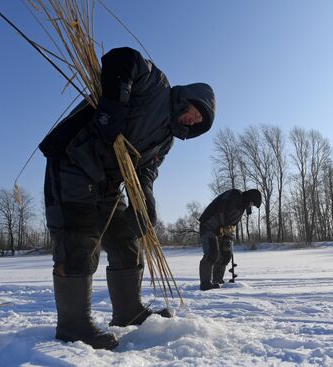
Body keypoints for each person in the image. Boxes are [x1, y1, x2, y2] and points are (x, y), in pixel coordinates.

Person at [39, 47, 216, 350]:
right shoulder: (156, 86)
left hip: (106, 183)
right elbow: (124, 59)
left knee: (126, 238)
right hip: (74, 162)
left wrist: (144, 202)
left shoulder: (166, 140)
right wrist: (112, 107)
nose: (190, 119)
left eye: (196, 121)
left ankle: (127, 311)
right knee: (79, 241)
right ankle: (73, 325)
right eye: (194, 111)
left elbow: (145, 171)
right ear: (187, 97)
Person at [198, 189, 261, 291]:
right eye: (252, 203)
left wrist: (229, 236)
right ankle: (205, 284)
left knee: (226, 254)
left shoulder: (241, 209)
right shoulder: (235, 195)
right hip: (208, 225)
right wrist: (226, 227)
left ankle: (217, 281)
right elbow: (224, 212)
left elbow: (232, 224)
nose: (251, 206)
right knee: (212, 253)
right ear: (249, 197)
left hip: (221, 230)